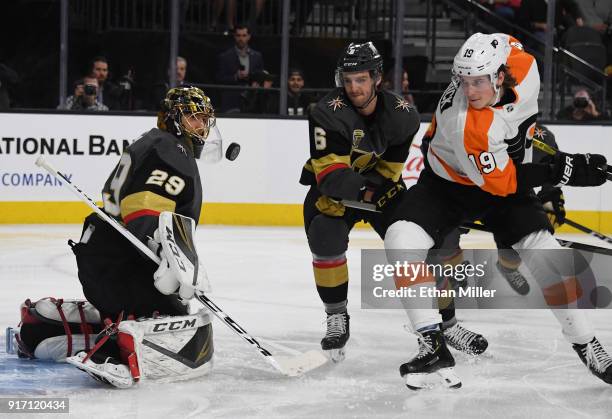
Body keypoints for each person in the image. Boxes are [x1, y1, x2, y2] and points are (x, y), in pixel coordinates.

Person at [385, 32, 611, 389]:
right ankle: (432, 343)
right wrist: (563, 171)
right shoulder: (468, 126)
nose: (469, 90)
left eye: (478, 81)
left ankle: (587, 342)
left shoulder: (526, 65)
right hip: (448, 185)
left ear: (500, 76)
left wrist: (563, 165)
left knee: (545, 253)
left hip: (498, 170)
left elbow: (502, 41)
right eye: (462, 81)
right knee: (401, 237)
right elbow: (503, 183)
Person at [299, 42, 486, 363]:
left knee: (428, 243)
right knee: (324, 234)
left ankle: (447, 324)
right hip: (334, 192)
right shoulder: (325, 112)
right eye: (347, 80)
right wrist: (373, 193)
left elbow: (390, 169)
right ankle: (336, 315)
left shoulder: (403, 116)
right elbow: (330, 176)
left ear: (376, 79)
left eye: (360, 79)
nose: (353, 88)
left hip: (380, 186)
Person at [64, 86, 222, 387]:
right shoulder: (171, 150)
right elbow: (144, 208)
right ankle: (110, 354)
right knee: (170, 314)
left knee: (165, 307)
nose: (201, 126)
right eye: (193, 118)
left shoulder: (156, 142)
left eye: (204, 119)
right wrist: (169, 255)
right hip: (123, 262)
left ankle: (46, 328)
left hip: (103, 255)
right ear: (175, 119)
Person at [215, 25, 265, 112]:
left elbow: (260, 74)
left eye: (244, 35)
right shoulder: (225, 56)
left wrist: (256, 81)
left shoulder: (257, 56)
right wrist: (235, 77)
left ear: (249, 37)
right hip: (231, 101)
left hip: (252, 101)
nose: (241, 38)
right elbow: (219, 78)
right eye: (238, 35)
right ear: (234, 36)